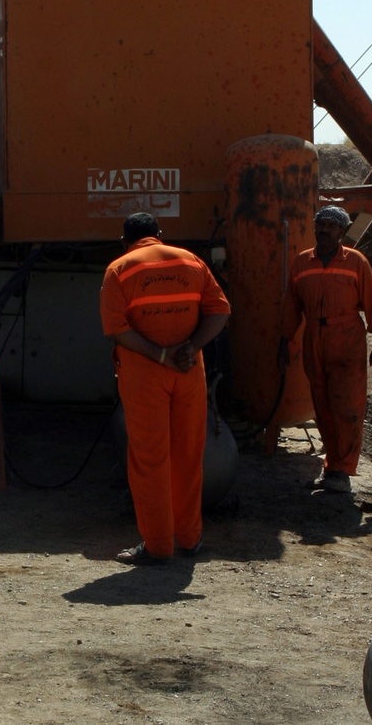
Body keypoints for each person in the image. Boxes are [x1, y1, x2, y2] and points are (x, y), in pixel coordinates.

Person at [99, 212, 231, 566]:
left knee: (149, 460)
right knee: (189, 455)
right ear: (159, 234)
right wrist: (192, 346)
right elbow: (220, 311)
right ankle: (190, 539)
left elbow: (116, 329)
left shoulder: (119, 269)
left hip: (145, 376)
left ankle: (158, 545)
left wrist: (160, 355)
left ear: (126, 242)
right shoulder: (192, 261)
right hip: (189, 371)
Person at [278, 205, 372, 493]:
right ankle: (333, 464)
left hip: (348, 339)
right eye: (320, 224)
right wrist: (284, 341)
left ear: (342, 231)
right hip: (314, 337)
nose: (324, 229)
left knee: (348, 406)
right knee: (322, 404)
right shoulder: (303, 263)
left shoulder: (356, 262)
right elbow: (292, 307)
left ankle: (343, 469)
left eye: (331, 225)